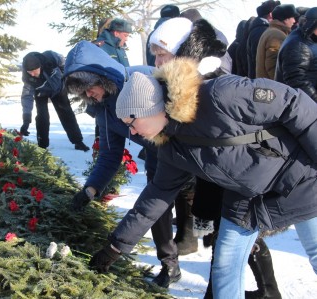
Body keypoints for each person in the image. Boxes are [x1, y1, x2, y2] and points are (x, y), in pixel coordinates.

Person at [89, 57, 317, 298]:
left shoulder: (221, 94)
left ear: (150, 108)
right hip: (245, 199)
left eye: (132, 123)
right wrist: (114, 247)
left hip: (297, 178)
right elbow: (155, 198)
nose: (131, 132)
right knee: (225, 264)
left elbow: (294, 102)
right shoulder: (171, 148)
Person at [63, 40, 181, 288]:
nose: (88, 95)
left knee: (195, 207)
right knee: (156, 209)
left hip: (184, 148)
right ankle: (169, 265)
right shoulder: (103, 109)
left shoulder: (146, 80)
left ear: (103, 77)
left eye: (89, 88)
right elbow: (109, 154)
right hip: (157, 156)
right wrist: (90, 189)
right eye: (81, 92)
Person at [148, 16, 227, 256]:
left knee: (227, 234)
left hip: (223, 171)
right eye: (156, 55)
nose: (157, 62)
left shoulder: (210, 81)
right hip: (201, 167)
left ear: (183, 53)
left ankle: (267, 289)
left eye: (163, 55)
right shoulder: (172, 81)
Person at [20, 51, 89, 151]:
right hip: (40, 92)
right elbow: (26, 96)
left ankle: (78, 141)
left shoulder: (51, 58)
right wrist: (26, 120)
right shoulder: (28, 78)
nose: (33, 74)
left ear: (40, 66)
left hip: (58, 89)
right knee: (42, 117)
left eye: (35, 71)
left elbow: (66, 64)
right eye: (30, 72)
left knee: (66, 113)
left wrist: (65, 79)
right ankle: (42, 145)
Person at [275, 7, 317, 102]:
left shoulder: (308, 38)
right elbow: (297, 80)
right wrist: (315, 99)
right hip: (302, 105)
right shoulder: (299, 45)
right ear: (313, 24)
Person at [256, 4, 298, 79]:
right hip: (272, 87)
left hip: (267, 84)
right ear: (286, 19)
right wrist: (282, 84)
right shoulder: (276, 35)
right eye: (292, 17)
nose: (294, 21)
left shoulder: (272, 31)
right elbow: (272, 65)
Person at [247, 0, 281, 79]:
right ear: (271, 14)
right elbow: (258, 59)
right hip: (262, 82)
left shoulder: (259, 29)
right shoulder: (261, 31)